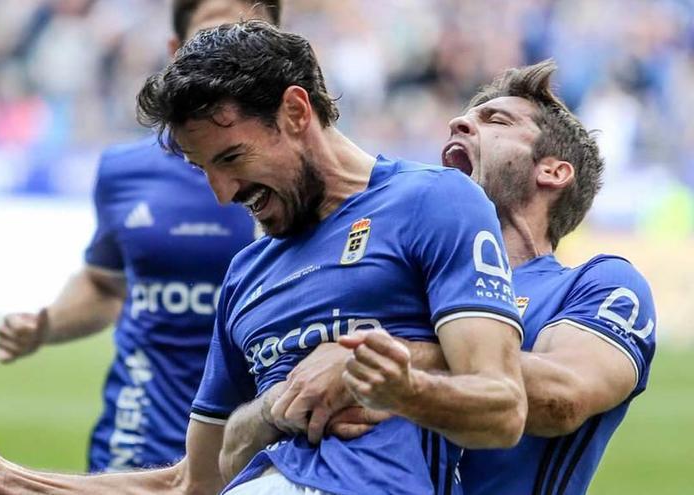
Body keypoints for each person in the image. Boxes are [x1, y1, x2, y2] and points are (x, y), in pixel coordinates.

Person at [0, 21, 528, 495]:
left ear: (296, 113)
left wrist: (394, 387)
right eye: (200, 169)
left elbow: (502, 409)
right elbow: (194, 481)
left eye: (232, 158)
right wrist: (12, 480)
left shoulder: (434, 201)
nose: (221, 194)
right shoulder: (246, 274)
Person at [219, 60, 657, 495]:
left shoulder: (598, 284)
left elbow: (565, 395)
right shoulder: (403, 281)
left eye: (495, 120)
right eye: (464, 117)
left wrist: (389, 365)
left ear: (553, 170)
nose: (457, 123)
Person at [0, 0, 281, 473]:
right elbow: (106, 285)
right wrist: (45, 325)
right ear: (176, 51)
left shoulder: (313, 178)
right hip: (139, 441)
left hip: (258, 448)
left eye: (249, 35)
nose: (234, 52)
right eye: (214, 35)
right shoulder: (125, 172)